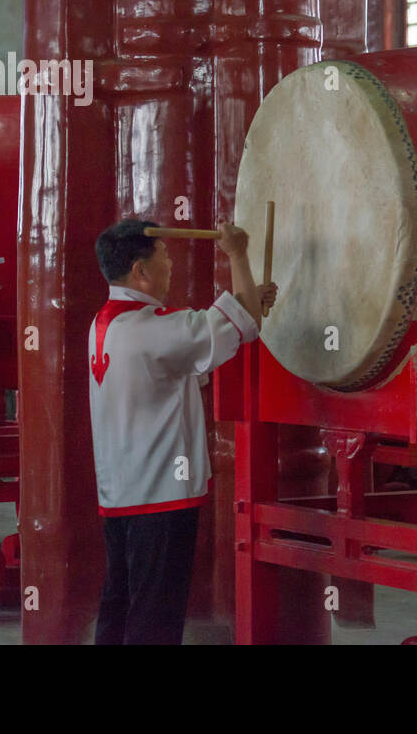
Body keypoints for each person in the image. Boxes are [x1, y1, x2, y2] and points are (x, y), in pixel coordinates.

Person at [89, 218, 276, 644]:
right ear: (140, 270)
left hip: (121, 493)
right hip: (160, 495)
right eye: (165, 256)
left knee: (119, 602)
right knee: (156, 614)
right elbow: (243, 325)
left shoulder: (105, 324)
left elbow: (196, 351)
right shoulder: (153, 327)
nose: (171, 264)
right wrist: (238, 254)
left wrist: (247, 303)